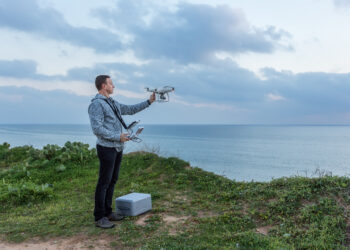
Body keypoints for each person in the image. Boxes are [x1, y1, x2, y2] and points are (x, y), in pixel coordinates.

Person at [88, 75, 155, 229]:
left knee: (112, 180)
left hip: (117, 147)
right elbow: (97, 129)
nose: (114, 86)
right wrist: (117, 136)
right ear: (104, 86)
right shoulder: (97, 105)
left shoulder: (112, 102)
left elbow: (130, 109)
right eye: (111, 83)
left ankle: (108, 212)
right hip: (106, 148)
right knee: (104, 182)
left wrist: (149, 102)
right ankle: (99, 217)